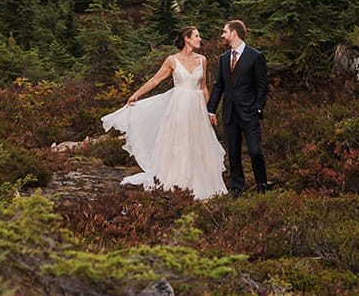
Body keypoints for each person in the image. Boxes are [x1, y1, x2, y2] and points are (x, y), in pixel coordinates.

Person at [100, 27, 228, 200]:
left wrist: (208, 111)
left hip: (197, 109)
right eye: (197, 36)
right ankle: (178, 184)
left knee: (198, 144)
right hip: (179, 107)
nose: (200, 39)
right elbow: (155, 79)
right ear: (187, 39)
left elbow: (203, 86)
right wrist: (136, 94)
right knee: (179, 143)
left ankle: (199, 184)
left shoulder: (202, 60)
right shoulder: (172, 60)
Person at [207, 19, 269, 194]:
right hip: (230, 113)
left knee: (255, 151)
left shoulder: (255, 56)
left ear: (234, 33)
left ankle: (262, 186)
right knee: (233, 154)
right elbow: (219, 85)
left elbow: (262, 86)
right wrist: (211, 109)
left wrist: (258, 108)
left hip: (250, 112)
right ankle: (237, 188)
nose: (222, 35)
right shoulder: (224, 58)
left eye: (225, 32)